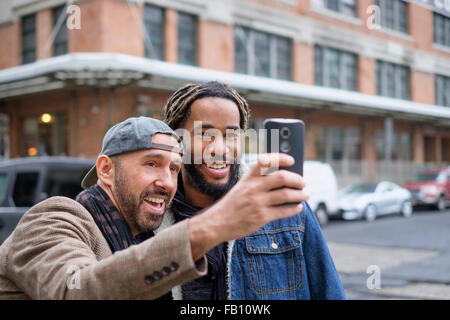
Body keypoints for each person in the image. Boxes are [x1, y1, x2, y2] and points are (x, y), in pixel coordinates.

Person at [0, 116, 307, 299]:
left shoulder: (144, 238)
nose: (166, 182)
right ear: (106, 170)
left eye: (174, 169)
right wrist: (215, 224)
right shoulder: (55, 217)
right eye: (152, 164)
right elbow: (75, 290)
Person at [162, 81, 346, 300]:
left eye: (231, 134)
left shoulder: (285, 208)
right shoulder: (153, 216)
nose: (220, 149)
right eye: (204, 134)